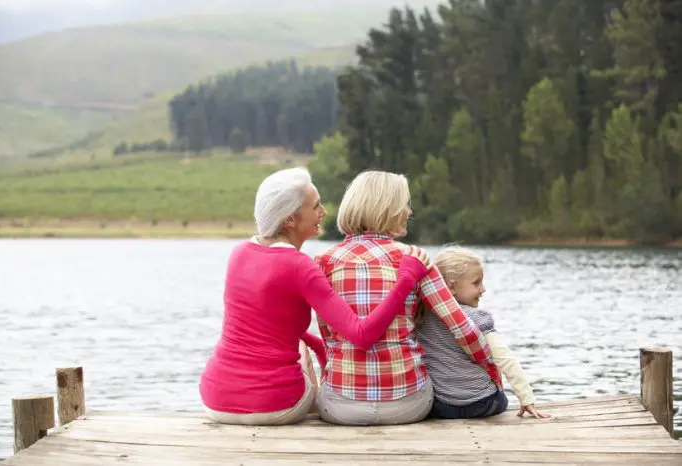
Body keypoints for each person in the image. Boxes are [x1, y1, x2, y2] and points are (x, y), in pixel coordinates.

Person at [199, 167, 431, 425]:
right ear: (290, 220)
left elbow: (270, 326)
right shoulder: (300, 266)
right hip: (274, 406)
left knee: (289, 338)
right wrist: (406, 279)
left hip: (215, 399)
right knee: (298, 346)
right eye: (316, 206)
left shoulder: (239, 253)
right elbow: (362, 335)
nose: (324, 212)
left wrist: (322, 351)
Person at [314, 170, 502, 426]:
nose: (409, 212)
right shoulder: (415, 258)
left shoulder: (322, 263)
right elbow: (462, 329)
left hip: (341, 407)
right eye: (405, 204)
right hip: (408, 404)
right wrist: (491, 368)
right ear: (387, 208)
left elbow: (328, 337)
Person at [417, 245, 550, 419]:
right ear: (452, 286)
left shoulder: (421, 316)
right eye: (476, 283)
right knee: (500, 397)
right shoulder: (477, 317)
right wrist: (527, 399)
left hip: (443, 407)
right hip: (483, 404)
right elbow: (505, 359)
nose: (483, 289)